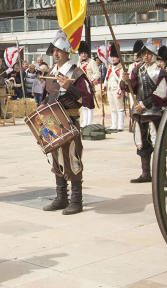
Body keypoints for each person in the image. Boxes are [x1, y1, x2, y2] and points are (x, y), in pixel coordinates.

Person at [41, 30, 93, 215]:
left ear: (67, 53)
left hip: (70, 121)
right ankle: (61, 198)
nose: (55, 54)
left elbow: (87, 99)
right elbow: (47, 97)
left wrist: (69, 87)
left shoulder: (76, 73)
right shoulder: (51, 72)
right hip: (52, 122)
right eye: (53, 50)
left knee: (72, 158)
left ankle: (76, 200)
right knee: (56, 158)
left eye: (59, 51)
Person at [130, 42, 167, 180]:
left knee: (158, 144)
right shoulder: (137, 70)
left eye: (148, 54)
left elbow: (162, 93)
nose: (146, 56)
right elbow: (133, 87)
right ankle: (146, 174)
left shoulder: (160, 72)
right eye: (144, 54)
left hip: (154, 112)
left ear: (154, 56)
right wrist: (125, 82)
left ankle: (162, 177)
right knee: (142, 143)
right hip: (140, 113)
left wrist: (144, 105)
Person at [104, 47, 128, 132]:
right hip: (110, 89)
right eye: (112, 57)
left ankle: (120, 125)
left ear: (118, 58)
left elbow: (122, 80)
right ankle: (114, 125)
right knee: (112, 108)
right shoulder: (110, 67)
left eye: (115, 57)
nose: (113, 59)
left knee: (120, 108)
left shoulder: (121, 67)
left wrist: (120, 90)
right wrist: (104, 85)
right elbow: (107, 77)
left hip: (117, 90)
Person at [77, 44, 100, 126]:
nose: (83, 54)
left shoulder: (92, 62)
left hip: (89, 86)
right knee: (83, 105)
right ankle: (84, 122)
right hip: (80, 87)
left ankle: (89, 123)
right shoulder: (78, 63)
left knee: (89, 105)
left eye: (85, 53)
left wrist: (91, 80)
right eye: (82, 53)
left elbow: (97, 73)